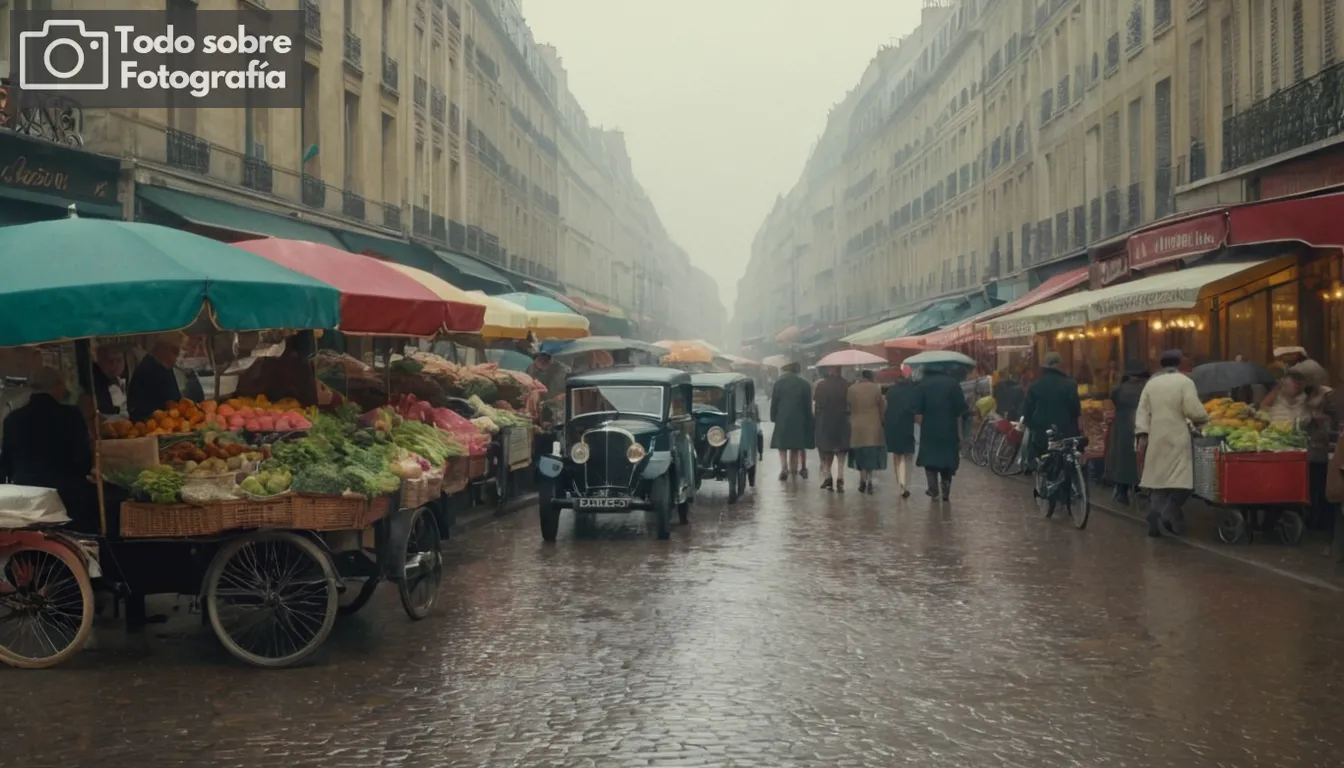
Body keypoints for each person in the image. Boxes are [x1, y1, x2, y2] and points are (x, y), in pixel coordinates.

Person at [0, 367, 94, 531]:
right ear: (57, 387)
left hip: (27, 498)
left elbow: (6, 464)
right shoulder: (70, 415)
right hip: (67, 497)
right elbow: (84, 460)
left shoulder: (12, 420)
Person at [1135, 350, 1209, 538]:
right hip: (1177, 435)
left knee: (1159, 481)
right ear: (1178, 364)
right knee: (1185, 482)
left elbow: (1142, 411)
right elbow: (1193, 409)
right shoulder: (1185, 382)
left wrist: (1142, 433)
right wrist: (1203, 418)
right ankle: (1167, 510)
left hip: (1156, 435)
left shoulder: (1151, 384)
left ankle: (1155, 511)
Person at [915, 364, 969, 501]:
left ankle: (933, 489)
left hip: (929, 427)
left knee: (930, 457)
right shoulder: (952, 383)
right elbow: (960, 407)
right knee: (947, 457)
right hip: (948, 426)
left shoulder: (923, 384)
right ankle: (946, 486)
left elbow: (917, 408)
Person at [1023, 352, 1082, 471]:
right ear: (1060, 367)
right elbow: (1076, 409)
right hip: (1066, 432)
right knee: (1066, 464)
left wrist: (1032, 426)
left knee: (1044, 462)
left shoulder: (1035, 386)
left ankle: (1044, 483)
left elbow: (1027, 411)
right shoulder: (1070, 384)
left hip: (1042, 433)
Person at [1105, 364, 1149, 505]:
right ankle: (1141, 489)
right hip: (1142, 428)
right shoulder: (1146, 388)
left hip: (1123, 429)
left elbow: (1113, 398)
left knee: (1122, 461)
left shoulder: (1119, 389)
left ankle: (1122, 493)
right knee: (1142, 459)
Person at [769, 362, 813, 480]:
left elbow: (774, 404)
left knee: (782, 445)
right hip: (799, 418)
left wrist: (773, 417)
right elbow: (808, 406)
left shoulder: (778, 383)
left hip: (782, 417)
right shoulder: (805, 384)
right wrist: (809, 420)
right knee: (795, 445)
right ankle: (794, 469)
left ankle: (784, 468)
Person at [128, 332, 185, 422]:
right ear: (162, 349)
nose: (178, 356)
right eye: (175, 351)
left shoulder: (162, 367)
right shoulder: (150, 370)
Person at [846, 369, 886, 494]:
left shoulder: (851, 389)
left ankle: (862, 479)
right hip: (873, 425)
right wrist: (882, 420)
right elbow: (881, 406)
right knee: (871, 454)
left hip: (857, 425)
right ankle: (869, 480)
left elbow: (848, 406)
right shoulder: (876, 388)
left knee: (860, 454)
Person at [813, 366, 851, 492]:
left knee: (825, 450)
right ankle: (840, 476)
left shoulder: (821, 386)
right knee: (841, 451)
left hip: (825, 421)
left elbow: (818, 404)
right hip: (842, 420)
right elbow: (849, 403)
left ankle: (828, 476)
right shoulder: (846, 385)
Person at [884, 365, 919, 498]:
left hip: (893, 426)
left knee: (897, 456)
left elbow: (886, 408)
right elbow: (916, 410)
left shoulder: (890, 391)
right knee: (908, 456)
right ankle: (906, 484)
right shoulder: (913, 391)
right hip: (907, 425)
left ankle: (900, 484)